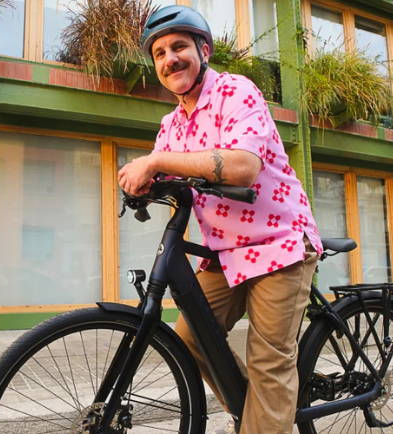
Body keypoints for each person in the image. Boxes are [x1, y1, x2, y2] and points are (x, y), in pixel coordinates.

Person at [117, 5, 323, 433]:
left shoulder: (236, 92)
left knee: (269, 360)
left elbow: (243, 166)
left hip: (279, 242)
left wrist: (155, 160)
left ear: (203, 50)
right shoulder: (171, 124)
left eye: (178, 47)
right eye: (159, 53)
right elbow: (169, 171)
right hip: (224, 254)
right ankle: (261, 418)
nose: (169, 58)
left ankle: (265, 419)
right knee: (191, 341)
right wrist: (142, 182)